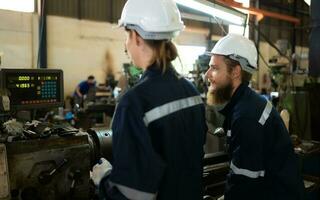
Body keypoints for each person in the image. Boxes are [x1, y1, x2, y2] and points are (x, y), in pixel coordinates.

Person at [91, 0, 207, 200]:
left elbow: (131, 195)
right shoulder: (192, 92)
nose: (126, 43)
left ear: (136, 37)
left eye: (127, 35)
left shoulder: (134, 103)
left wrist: (103, 179)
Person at [205, 34, 305, 200]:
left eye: (214, 68)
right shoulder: (246, 102)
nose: (208, 74)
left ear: (236, 72)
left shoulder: (246, 116)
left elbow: (244, 184)